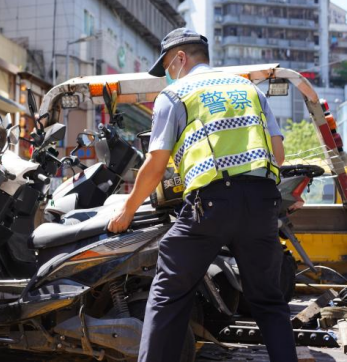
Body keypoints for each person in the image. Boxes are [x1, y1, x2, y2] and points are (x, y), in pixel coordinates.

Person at [107, 28, 297, 362]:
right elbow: (277, 154)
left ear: (180, 58)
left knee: (168, 296)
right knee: (269, 301)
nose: (167, 75)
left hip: (211, 204)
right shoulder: (249, 89)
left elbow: (155, 163)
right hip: (264, 202)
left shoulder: (176, 94)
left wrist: (126, 212)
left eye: (167, 66)